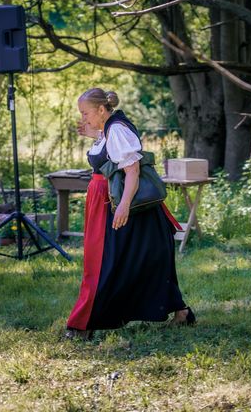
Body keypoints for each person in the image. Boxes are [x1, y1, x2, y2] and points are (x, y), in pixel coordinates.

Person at [65, 88, 195, 340]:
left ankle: (84, 324)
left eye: (86, 113)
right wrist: (95, 134)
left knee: (104, 263)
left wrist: (123, 207)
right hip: (106, 202)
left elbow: (132, 171)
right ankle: (182, 312)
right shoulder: (110, 128)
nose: (84, 118)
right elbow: (111, 154)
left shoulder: (117, 130)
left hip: (116, 204)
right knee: (138, 261)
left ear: (102, 110)